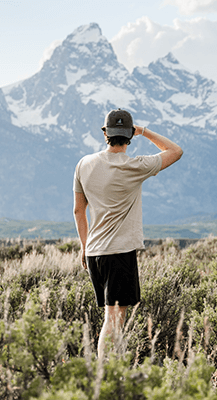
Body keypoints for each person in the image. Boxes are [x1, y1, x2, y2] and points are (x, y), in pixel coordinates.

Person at [72, 108, 183, 360]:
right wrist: (144, 131)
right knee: (114, 319)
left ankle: (109, 370)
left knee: (110, 317)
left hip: (95, 253)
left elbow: (79, 211)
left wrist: (84, 246)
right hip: (119, 252)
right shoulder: (135, 166)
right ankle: (105, 374)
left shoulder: (84, 164)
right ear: (129, 136)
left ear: (105, 134)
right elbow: (175, 151)